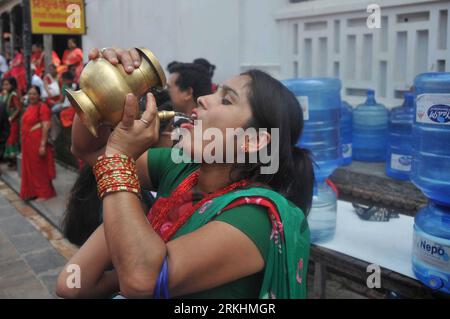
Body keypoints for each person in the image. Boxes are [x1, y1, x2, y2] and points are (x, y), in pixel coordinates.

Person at [56, 47, 313, 299]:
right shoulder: (181, 168)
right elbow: (91, 150)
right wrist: (99, 95)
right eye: (215, 91)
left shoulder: (254, 218)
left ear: (253, 141)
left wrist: (120, 160)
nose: (204, 98)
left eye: (226, 99)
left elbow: (142, 279)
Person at [19, 86, 56, 202]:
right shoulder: (29, 107)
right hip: (28, 143)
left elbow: (46, 125)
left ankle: (44, 193)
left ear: (39, 95)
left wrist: (42, 145)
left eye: (34, 94)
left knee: (40, 168)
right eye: (30, 94)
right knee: (30, 169)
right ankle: (32, 191)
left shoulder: (43, 107)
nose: (31, 96)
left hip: (37, 142)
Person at [1, 77, 21, 169]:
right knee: (8, 141)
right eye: (4, 84)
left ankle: (15, 162)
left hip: (12, 122)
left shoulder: (13, 95)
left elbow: (18, 108)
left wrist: (11, 118)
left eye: (7, 84)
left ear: (12, 85)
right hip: (6, 121)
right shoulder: (6, 94)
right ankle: (10, 161)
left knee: (12, 140)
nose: (5, 86)